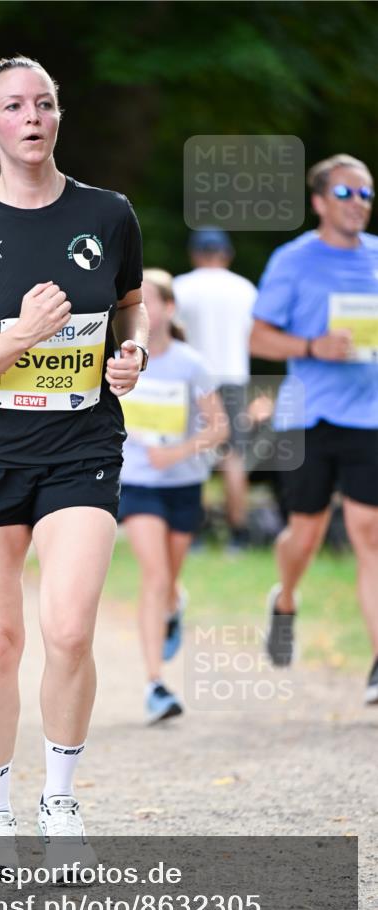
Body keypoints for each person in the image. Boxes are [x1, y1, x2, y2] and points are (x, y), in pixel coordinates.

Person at [0, 55, 146, 860]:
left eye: (44, 103)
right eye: (13, 105)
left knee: (69, 628)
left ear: (57, 117)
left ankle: (59, 802)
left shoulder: (108, 213)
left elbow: (130, 303)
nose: (32, 116)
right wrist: (18, 336)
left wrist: (133, 353)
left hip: (80, 447)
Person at [250, 153, 378, 706]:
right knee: (304, 533)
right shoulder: (293, 260)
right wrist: (311, 347)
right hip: (310, 415)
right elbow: (258, 338)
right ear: (320, 202)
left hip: (370, 416)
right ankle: (286, 598)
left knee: (368, 532)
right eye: (346, 194)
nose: (359, 204)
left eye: (367, 193)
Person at [119, 270, 228, 723]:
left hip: (183, 482)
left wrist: (179, 452)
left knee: (168, 580)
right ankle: (154, 683)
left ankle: (172, 607)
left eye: (154, 302)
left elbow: (219, 426)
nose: (146, 310)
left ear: (169, 309)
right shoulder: (120, 358)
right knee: (155, 574)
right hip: (137, 483)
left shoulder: (190, 364)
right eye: (137, 303)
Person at [174, 229, 257, 551]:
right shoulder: (245, 289)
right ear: (227, 253)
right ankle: (238, 534)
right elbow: (255, 336)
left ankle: (192, 531)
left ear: (195, 254)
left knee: (193, 452)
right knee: (233, 457)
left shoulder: (182, 288)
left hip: (195, 380)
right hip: (233, 378)